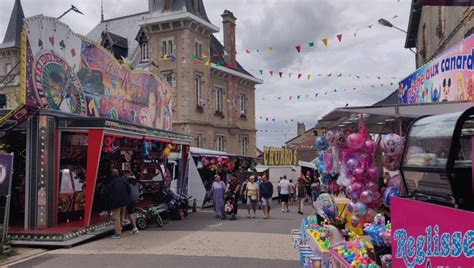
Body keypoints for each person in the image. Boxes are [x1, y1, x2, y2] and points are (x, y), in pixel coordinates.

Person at [104, 169, 130, 239]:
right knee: (121, 216)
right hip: (124, 201)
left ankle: (117, 233)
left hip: (115, 203)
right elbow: (129, 189)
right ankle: (121, 228)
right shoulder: (123, 180)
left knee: (116, 218)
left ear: (112, 174)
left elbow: (106, 192)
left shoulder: (111, 182)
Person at [124, 170, 140, 234]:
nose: (124, 175)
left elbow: (125, 190)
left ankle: (135, 228)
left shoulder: (126, 181)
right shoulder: (135, 180)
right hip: (136, 198)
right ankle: (126, 219)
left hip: (130, 199)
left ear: (126, 174)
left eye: (124, 174)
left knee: (130, 213)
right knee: (131, 211)